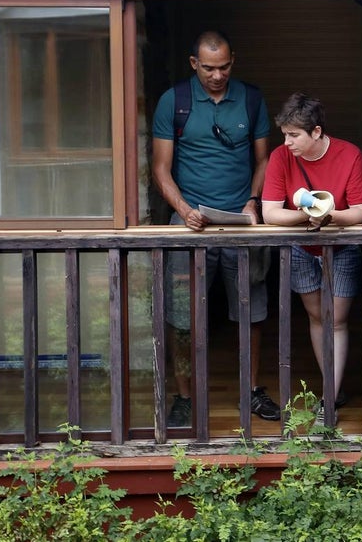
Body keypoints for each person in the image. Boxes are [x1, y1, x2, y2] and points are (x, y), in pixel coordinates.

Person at [151, 30, 280, 427]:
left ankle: (252, 390)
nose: (217, 75)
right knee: (182, 315)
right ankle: (185, 396)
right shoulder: (175, 101)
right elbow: (160, 167)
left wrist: (253, 201)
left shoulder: (252, 98)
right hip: (190, 223)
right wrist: (184, 210)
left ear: (232, 61)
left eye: (224, 66)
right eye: (209, 68)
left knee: (251, 310)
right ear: (194, 64)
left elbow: (263, 160)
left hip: (241, 221)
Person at [261, 93, 362, 414]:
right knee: (317, 317)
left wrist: (329, 216)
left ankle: (329, 399)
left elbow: (361, 211)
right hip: (301, 245)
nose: (287, 142)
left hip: (343, 245)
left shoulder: (349, 155)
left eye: (294, 135)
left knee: (336, 319)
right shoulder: (281, 157)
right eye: (285, 135)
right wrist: (308, 217)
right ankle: (331, 390)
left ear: (317, 132)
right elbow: (270, 213)